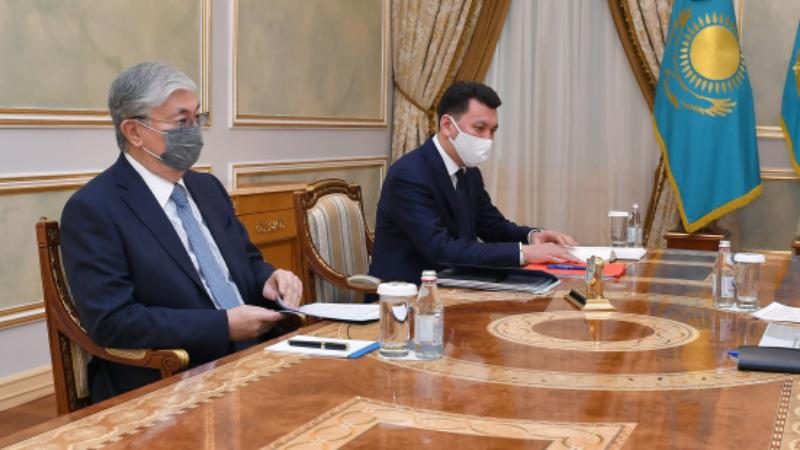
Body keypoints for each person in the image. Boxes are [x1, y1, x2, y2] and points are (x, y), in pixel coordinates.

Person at [60, 62, 302, 403]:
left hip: (258, 354)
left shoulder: (208, 188)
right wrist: (222, 326)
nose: (194, 131)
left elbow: (247, 262)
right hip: (170, 377)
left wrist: (269, 278)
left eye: (198, 117)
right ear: (134, 132)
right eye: (181, 121)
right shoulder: (94, 209)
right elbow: (113, 321)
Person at [369, 81, 578, 284]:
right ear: (447, 125)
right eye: (480, 128)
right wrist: (523, 253)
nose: (488, 139)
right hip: (407, 294)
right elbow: (440, 249)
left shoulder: (469, 172)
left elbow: (491, 225)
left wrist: (532, 236)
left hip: (456, 284)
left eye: (493, 130)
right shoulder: (409, 174)